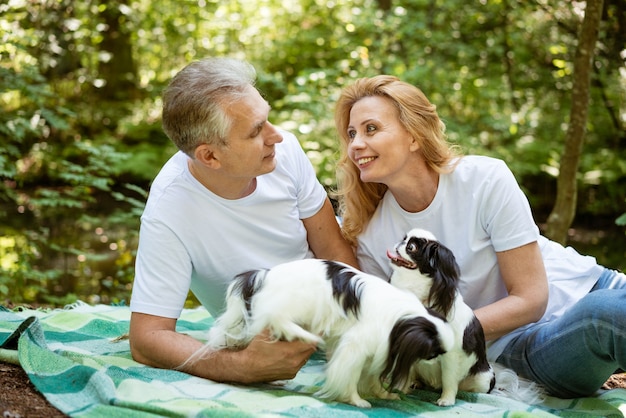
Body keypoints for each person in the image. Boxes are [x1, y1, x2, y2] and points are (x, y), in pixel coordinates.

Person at [333, 74, 626, 399]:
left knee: (611, 306)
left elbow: (530, 293)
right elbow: (529, 308)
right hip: (526, 340)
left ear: (413, 136)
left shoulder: (485, 179)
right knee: (606, 314)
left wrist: (441, 331)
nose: (355, 144)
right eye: (351, 133)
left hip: (592, 284)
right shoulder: (376, 240)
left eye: (370, 128)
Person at [129, 57, 358, 384]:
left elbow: (334, 249)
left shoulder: (285, 152)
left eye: (267, 118)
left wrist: (354, 334)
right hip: (263, 338)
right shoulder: (170, 207)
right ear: (210, 156)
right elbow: (147, 338)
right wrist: (240, 367)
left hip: (332, 313)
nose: (276, 136)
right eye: (255, 131)